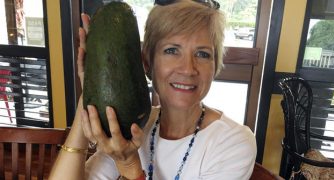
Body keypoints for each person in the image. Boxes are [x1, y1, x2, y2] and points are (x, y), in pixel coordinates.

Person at [49, 0, 257, 179]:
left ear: (216, 65)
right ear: (147, 62)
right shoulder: (133, 125)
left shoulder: (233, 143)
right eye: (172, 50)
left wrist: (129, 164)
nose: (188, 69)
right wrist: (91, 91)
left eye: (202, 54)